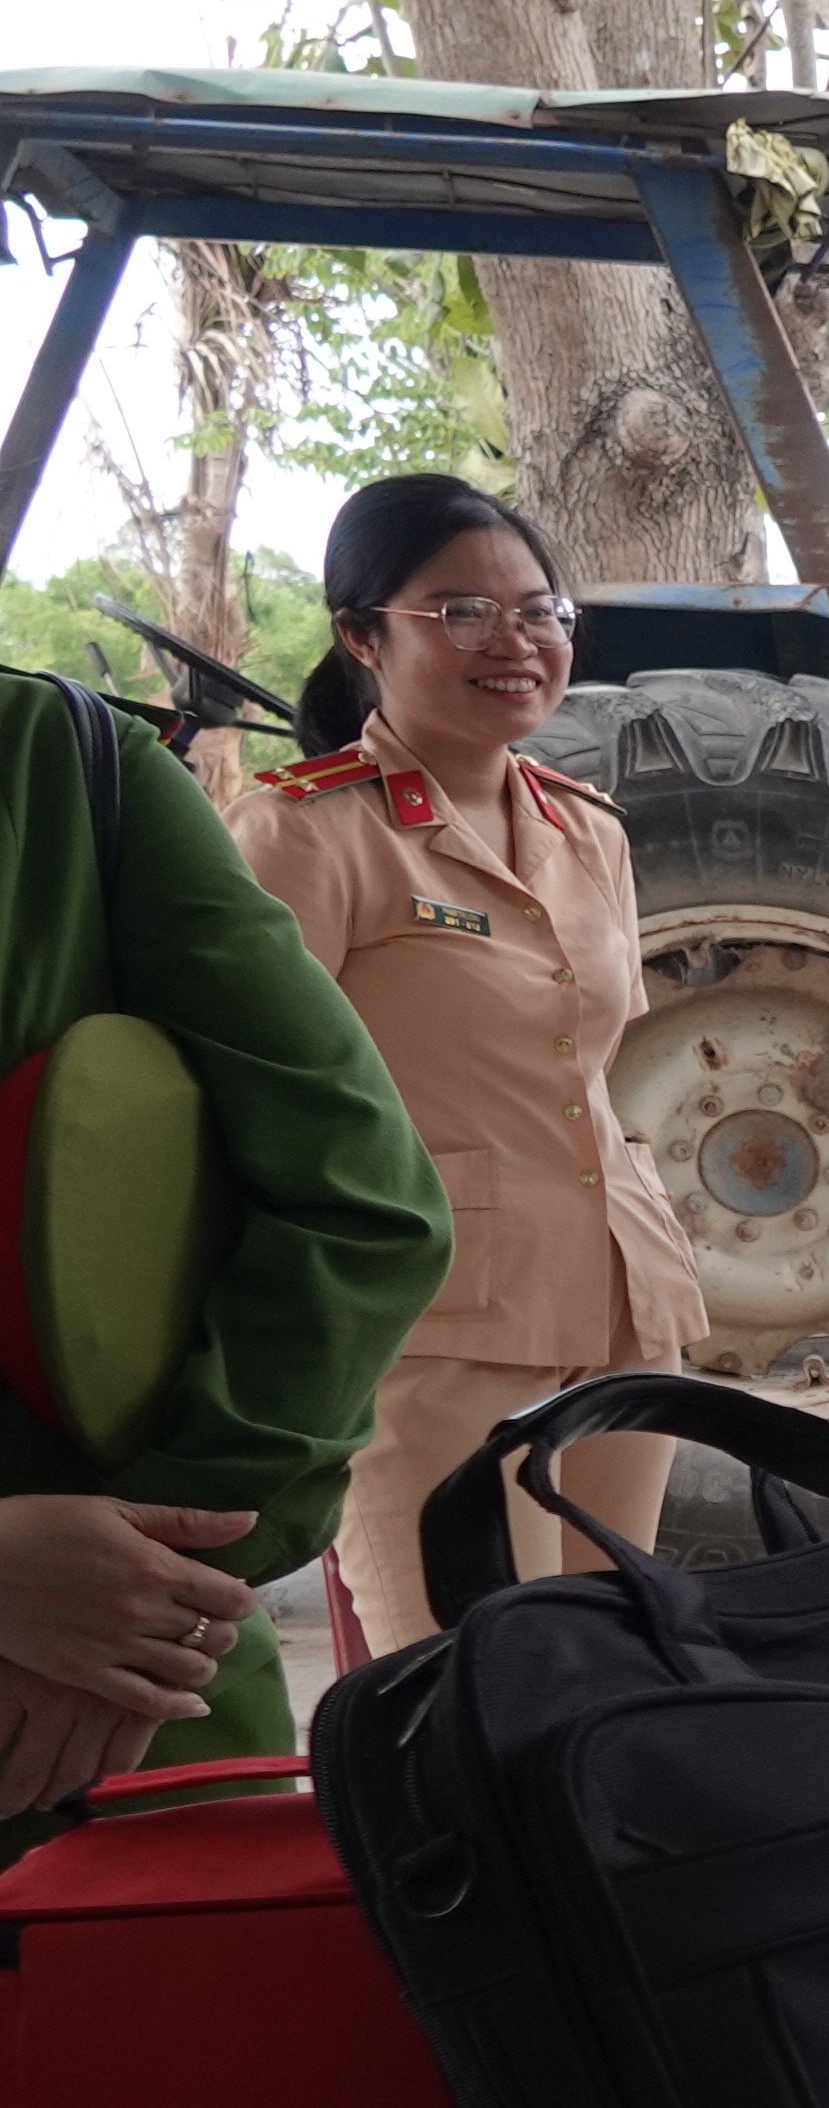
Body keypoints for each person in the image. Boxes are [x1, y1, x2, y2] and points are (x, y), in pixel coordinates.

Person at [223, 475, 703, 1649]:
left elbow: (582, 1065)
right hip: (427, 1323)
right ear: (361, 635)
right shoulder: (306, 830)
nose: (515, 643)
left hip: (620, 1305)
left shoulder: (588, 827)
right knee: (461, 1687)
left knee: (615, 1669)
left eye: (541, 612)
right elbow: (244, 1099)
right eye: (460, 612)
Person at [0, 671, 440, 1817]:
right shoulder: (308, 818)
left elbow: (361, 1199)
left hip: (107, 1724)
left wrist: (158, 1589)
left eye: (543, 612)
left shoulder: (60, 766)